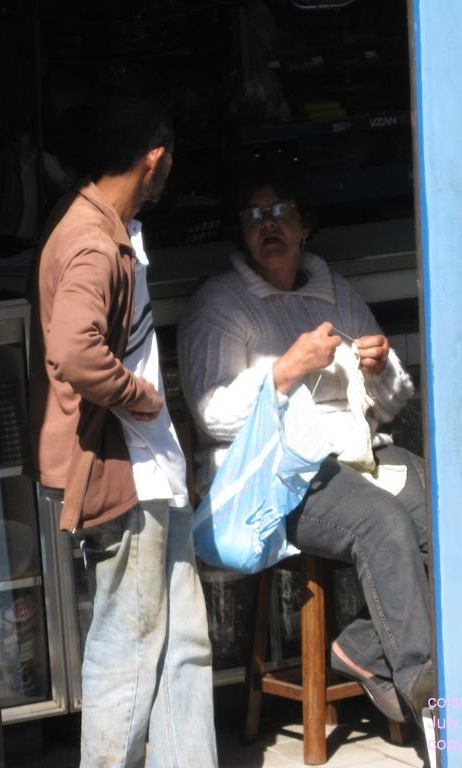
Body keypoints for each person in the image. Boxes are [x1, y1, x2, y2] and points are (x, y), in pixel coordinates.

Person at [177, 169, 435, 726]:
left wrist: (381, 367)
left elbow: (386, 407)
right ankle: (427, 693)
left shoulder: (336, 292)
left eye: (279, 212)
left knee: (444, 512)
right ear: (241, 234)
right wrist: (285, 372)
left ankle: (364, 649)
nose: (267, 225)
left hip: (353, 452)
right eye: (253, 216)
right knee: (382, 523)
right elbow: (211, 413)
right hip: (277, 476)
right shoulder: (220, 306)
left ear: (304, 225)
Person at [28, 96, 218, 768]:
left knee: (183, 641)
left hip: (148, 470)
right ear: (154, 158)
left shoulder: (104, 223)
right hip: (122, 474)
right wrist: (141, 400)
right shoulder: (90, 240)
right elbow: (75, 351)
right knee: (131, 647)